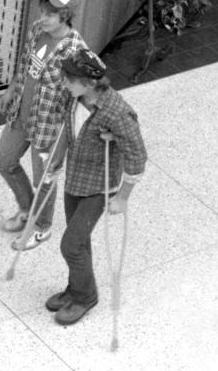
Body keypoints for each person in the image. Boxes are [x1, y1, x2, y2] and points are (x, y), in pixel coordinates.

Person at [45, 48, 146, 326]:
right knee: (80, 242)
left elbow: (137, 155)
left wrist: (122, 198)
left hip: (99, 188)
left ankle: (86, 296)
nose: (64, 82)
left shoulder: (116, 111)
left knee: (71, 245)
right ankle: (74, 289)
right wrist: (56, 161)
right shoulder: (75, 97)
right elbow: (68, 129)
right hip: (75, 179)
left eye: (69, 78)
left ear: (88, 83)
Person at [0, 0, 87, 250]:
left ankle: (42, 227)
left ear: (65, 16)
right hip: (21, 116)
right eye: (42, 11)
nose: (42, 17)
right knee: (4, 161)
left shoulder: (76, 51)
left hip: (49, 128)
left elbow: (85, 92)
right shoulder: (38, 31)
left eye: (49, 14)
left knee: (44, 179)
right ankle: (26, 209)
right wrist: (12, 89)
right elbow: (25, 63)